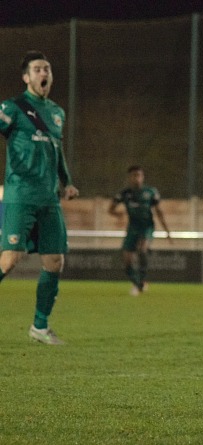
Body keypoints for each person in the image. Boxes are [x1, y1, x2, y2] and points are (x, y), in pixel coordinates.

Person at [0, 51, 79, 345]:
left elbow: (56, 151)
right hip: (21, 194)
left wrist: (67, 183)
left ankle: (40, 327)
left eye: (46, 68)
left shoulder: (57, 113)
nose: (43, 73)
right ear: (26, 77)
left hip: (49, 199)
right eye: (37, 69)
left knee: (55, 261)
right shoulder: (13, 107)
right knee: (9, 261)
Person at [108, 165, 171, 296]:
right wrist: (118, 214)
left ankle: (141, 280)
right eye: (134, 175)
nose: (137, 178)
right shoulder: (124, 194)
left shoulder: (150, 192)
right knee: (126, 261)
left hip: (147, 227)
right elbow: (111, 209)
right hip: (132, 228)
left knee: (142, 250)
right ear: (129, 177)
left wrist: (167, 231)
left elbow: (159, 212)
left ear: (143, 177)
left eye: (139, 175)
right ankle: (139, 284)